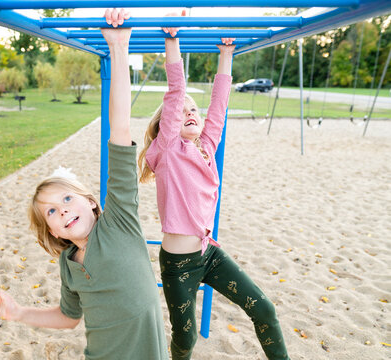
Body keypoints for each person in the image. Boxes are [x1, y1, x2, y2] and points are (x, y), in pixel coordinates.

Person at [0, 9, 169, 360]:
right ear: (53, 231)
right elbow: (69, 318)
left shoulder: (119, 223)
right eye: (52, 211)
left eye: (67, 198)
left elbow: (120, 130)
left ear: (91, 201)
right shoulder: (68, 264)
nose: (63, 209)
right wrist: (19, 312)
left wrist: (119, 47)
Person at [137, 10, 290, 360]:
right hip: (178, 265)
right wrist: (172, 41)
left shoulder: (206, 148)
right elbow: (176, 95)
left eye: (196, 110)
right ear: (168, 125)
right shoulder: (166, 152)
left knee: (264, 309)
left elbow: (218, 106)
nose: (191, 111)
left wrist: (226, 55)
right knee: (185, 340)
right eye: (184, 111)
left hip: (209, 254)